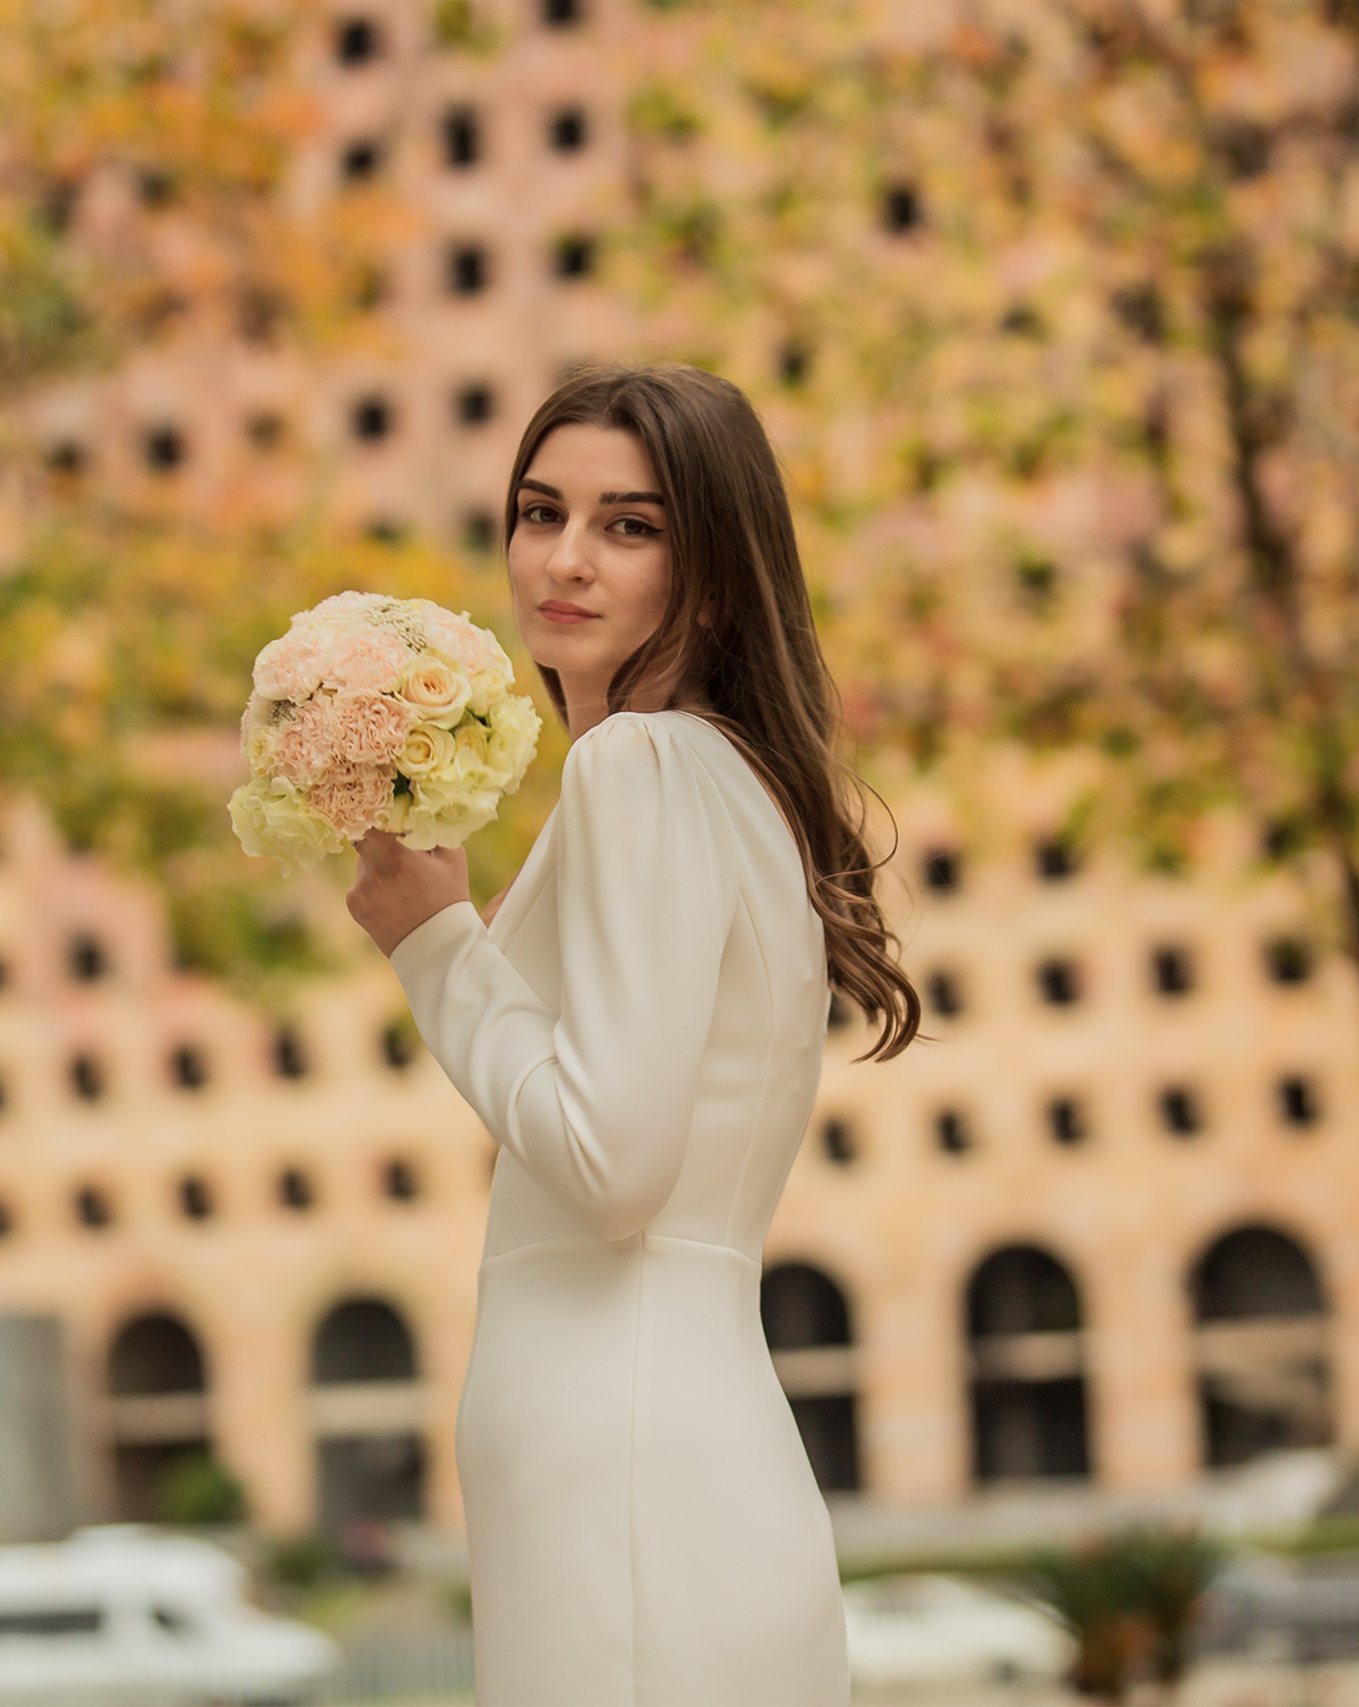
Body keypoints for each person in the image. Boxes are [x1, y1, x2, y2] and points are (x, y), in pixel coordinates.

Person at [346, 364, 923, 1705]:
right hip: (670, 1444)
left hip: (625, 1465)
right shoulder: (736, 782)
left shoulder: (643, 766)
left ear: (712, 568)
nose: (564, 559)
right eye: (541, 513)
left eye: (630, 526)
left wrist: (436, 946)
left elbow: (611, 1166)